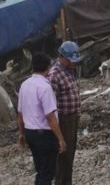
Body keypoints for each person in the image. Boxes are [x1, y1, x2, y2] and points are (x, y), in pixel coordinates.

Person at [18, 53, 67, 185]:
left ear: (33, 67)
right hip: (44, 135)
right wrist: (60, 138)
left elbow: (20, 113)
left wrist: (22, 133)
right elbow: (50, 117)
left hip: (30, 133)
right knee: (47, 173)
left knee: (40, 170)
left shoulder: (24, 85)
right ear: (48, 67)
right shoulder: (45, 87)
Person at [48, 42, 81, 185]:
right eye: (70, 59)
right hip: (63, 119)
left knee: (70, 154)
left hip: (73, 117)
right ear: (61, 57)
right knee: (63, 155)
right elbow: (50, 104)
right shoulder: (54, 75)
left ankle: (68, 182)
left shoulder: (70, 70)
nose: (73, 63)